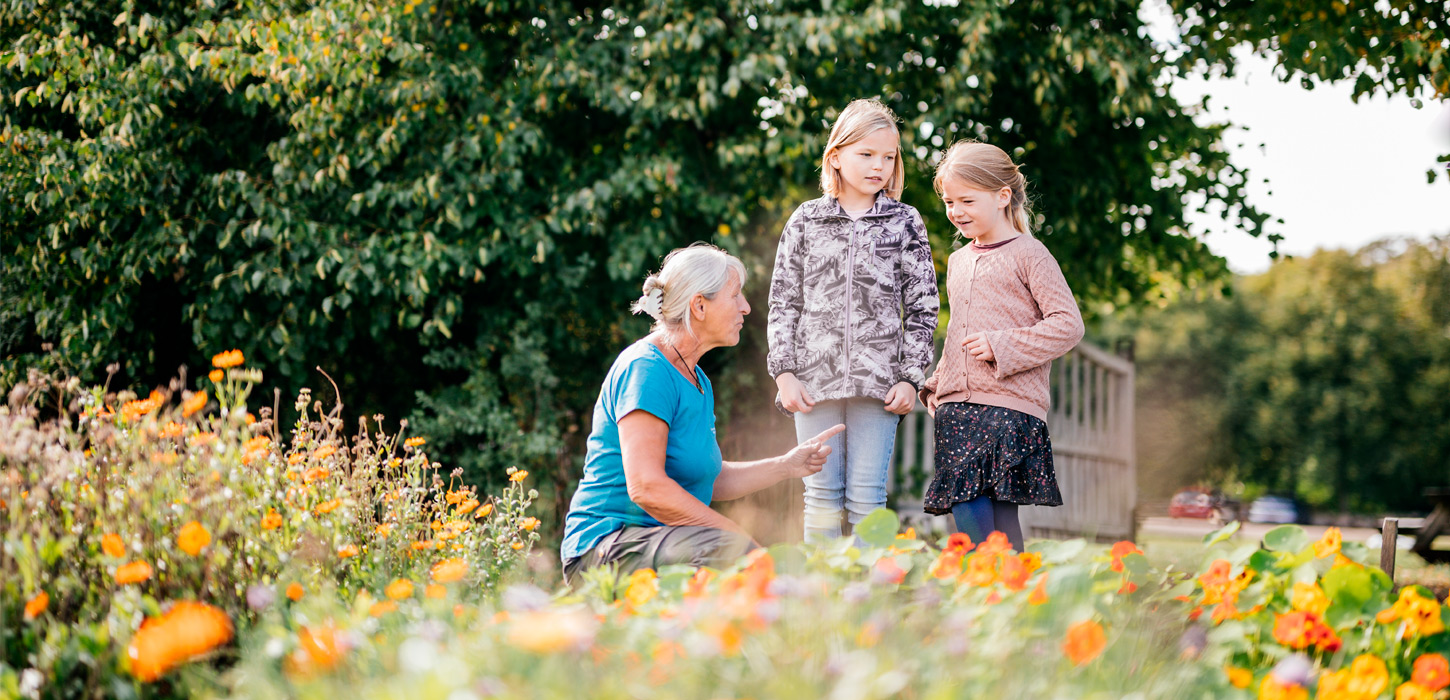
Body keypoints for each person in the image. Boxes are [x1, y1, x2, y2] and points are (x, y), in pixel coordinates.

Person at [561, 243, 845, 583]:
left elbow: (709, 477)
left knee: (739, 558)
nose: (746, 307)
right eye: (735, 296)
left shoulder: (697, 380)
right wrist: (736, 537)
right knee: (731, 552)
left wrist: (785, 466)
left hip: (662, 543)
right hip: (605, 549)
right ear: (699, 306)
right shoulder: (646, 370)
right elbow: (646, 487)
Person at [766, 99, 939, 543]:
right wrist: (784, 373)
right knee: (821, 497)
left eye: (888, 157)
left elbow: (923, 308)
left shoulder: (904, 222)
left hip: (879, 385)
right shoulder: (806, 220)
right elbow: (783, 301)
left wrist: (911, 377)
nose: (879, 166)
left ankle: (870, 585)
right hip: (812, 381)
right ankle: (821, 587)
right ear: (836, 156)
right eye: (866, 154)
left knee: (866, 498)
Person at [918, 141, 1084, 552]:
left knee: (1000, 515)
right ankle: (998, 584)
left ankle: (997, 584)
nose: (956, 211)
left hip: (1008, 408)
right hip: (957, 408)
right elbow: (959, 331)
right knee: (966, 504)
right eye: (949, 202)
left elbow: (1068, 325)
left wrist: (1001, 346)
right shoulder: (958, 260)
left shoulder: (1030, 254)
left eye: (967, 200)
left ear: (1002, 196)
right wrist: (938, 382)